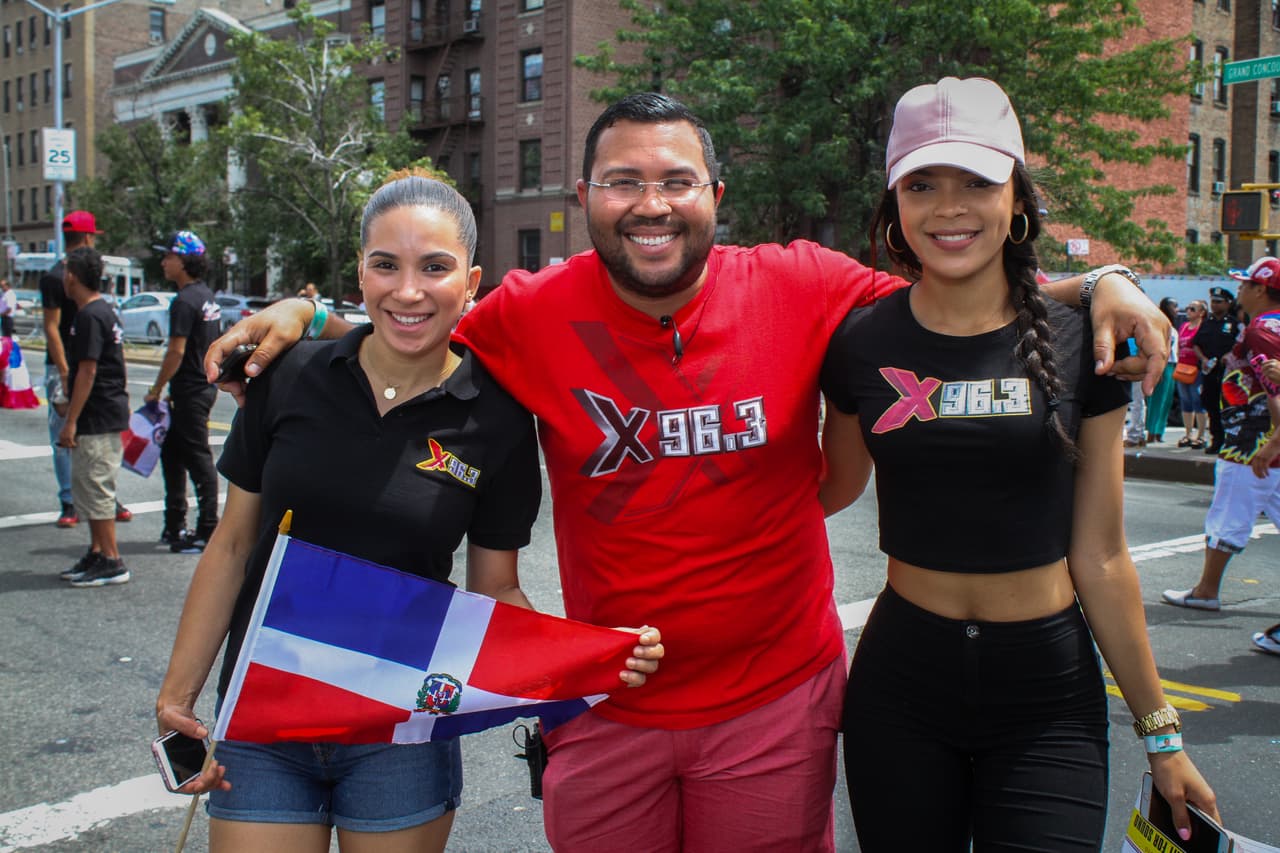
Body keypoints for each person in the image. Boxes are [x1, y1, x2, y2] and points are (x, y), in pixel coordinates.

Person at [205, 94, 1172, 851]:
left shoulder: (802, 282)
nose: (651, 202)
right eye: (623, 181)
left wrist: (1105, 281)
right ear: (584, 197)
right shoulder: (531, 310)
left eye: (676, 179)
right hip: (604, 704)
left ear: (716, 195)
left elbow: (969, 286)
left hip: (774, 703)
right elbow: (411, 315)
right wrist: (299, 313)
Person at [155, 170, 664, 852]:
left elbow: (496, 587)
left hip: (402, 723)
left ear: (472, 281)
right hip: (268, 715)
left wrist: (586, 657)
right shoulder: (291, 375)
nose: (408, 290)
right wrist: (178, 697)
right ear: (359, 273)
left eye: (435, 267)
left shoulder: (498, 419)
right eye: (385, 265)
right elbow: (232, 545)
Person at [819, 77, 1216, 849]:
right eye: (923, 184)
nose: (949, 206)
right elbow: (826, 488)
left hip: (1048, 692)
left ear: (1017, 199)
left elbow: (1101, 557)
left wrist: (1163, 736)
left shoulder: (1082, 339)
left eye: (976, 181)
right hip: (900, 684)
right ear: (895, 206)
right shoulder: (861, 343)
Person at [1163, 257, 1280, 651]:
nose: (1240, 290)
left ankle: (1206, 590)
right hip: (1262, 445)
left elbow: (1276, 389)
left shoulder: (1263, 332)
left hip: (1252, 447)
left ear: (1260, 290)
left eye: (1246, 284)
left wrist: (1274, 441)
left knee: (1227, 517)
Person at [40, 211, 132, 528]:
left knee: (84, 440)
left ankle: (90, 501)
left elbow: (51, 327)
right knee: (70, 435)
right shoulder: (66, 279)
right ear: (89, 238)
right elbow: (53, 329)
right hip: (69, 366)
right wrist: (65, 372)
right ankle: (73, 500)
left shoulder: (69, 285)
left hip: (78, 364)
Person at [57, 247, 132, 587]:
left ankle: (113, 559)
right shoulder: (103, 311)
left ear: (72, 276)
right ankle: (98, 551)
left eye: (65, 272)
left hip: (98, 415)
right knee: (87, 486)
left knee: (97, 489)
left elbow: (88, 371)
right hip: (104, 411)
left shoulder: (89, 316)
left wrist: (70, 419)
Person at [145, 231, 222, 554]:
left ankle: (207, 528)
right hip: (200, 387)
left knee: (197, 455)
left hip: (190, 389)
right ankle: (174, 524)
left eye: (169, 256)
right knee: (172, 454)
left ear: (185, 261)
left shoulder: (185, 301)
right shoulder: (205, 296)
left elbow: (176, 352)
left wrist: (156, 388)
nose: (164, 262)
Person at [1193, 285, 1241, 454]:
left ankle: (1231, 440)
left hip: (1229, 373)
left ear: (1228, 304)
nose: (1215, 305)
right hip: (1210, 372)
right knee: (1211, 406)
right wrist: (1203, 359)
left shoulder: (1234, 324)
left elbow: (1240, 344)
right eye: (1213, 301)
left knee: (1230, 407)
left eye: (1219, 302)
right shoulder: (1207, 323)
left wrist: (1230, 354)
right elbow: (1196, 344)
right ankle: (1217, 440)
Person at [1145, 296, 1179, 444]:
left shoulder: (1173, 326)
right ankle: (1151, 431)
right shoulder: (1160, 324)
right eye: (1173, 306)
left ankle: (1160, 431)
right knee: (1157, 400)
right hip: (1163, 364)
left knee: (1166, 401)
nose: (1176, 310)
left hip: (1172, 365)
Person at [1176, 300, 1209, 448]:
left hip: (1197, 370)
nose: (1188, 311)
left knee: (1198, 401)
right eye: (1188, 308)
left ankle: (1201, 435)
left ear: (1201, 312)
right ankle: (1188, 434)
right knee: (1185, 401)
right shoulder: (1183, 327)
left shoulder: (1203, 327)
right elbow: (1178, 347)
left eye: (1193, 309)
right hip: (1183, 368)